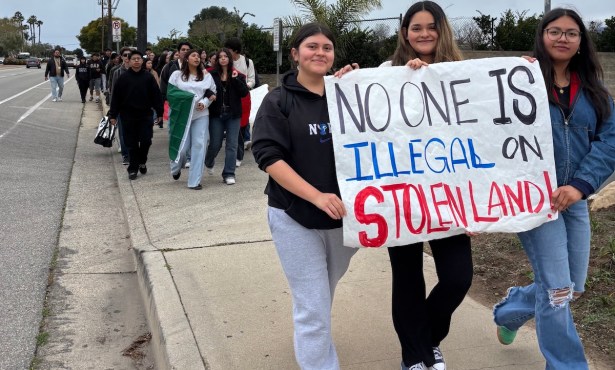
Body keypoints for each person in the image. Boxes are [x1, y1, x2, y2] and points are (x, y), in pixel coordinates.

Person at [493, 8, 615, 370]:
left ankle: (513, 309)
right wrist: (502, 78)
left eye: (571, 33)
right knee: (558, 292)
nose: (563, 38)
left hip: (573, 200)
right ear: (542, 36)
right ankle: (567, 366)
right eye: (554, 31)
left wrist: (580, 186)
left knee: (572, 287)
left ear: (581, 43)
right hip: (533, 202)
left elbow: (610, 141)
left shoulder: (595, 92)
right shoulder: (518, 82)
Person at [251, 22, 359, 370]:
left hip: (343, 219)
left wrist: (367, 82)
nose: (320, 53)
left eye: (327, 48)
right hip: (294, 215)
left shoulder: (350, 94)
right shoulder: (277, 101)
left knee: (321, 294)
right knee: (313, 304)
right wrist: (315, 196)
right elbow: (268, 157)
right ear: (296, 54)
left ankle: (312, 339)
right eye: (312, 46)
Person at [377, 2, 471, 369]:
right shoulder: (387, 72)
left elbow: (485, 137)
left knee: (457, 278)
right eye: (416, 28)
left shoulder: (463, 74)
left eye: (431, 26)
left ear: (442, 29)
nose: (424, 34)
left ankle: (426, 339)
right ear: (405, 33)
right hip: (401, 195)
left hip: (449, 197)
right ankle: (415, 357)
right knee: (408, 278)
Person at [108, 50, 164, 180]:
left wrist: (160, 112)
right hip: (127, 116)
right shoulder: (123, 78)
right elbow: (116, 98)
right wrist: (113, 115)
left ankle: (142, 161)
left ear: (142, 60)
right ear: (128, 60)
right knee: (131, 143)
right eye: (134, 59)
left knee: (146, 140)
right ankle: (132, 168)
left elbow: (156, 96)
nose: (136, 61)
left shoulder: (148, 77)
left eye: (139, 58)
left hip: (145, 115)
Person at [167, 49, 216, 190]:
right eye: (193, 55)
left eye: (198, 56)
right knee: (182, 148)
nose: (196, 58)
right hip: (182, 115)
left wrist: (205, 102)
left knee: (199, 145)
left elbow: (212, 92)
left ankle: (194, 181)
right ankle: (175, 168)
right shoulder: (177, 75)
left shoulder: (206, 75)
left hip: (200, 115)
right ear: (187, 59)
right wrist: (189, 99)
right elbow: (171, 93)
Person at [203, 48, 249, 185]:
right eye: (220, 57)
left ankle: (229, 173)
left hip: (233, 114)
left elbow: (244, 93)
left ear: (229, 59)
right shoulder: (210, 74)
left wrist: (235, 79)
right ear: (216, 59)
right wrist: (208, 95)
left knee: (232, 145)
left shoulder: (238, 75)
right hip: (216, 114)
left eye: (225, 56)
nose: (223, 58)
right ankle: (209, 161)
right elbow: (204, 90)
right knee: (215, 143)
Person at [223, 37, 256, 167]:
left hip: (243, 96)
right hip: (228, 98)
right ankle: (233, 151)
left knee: (242, 126)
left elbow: (252, 79)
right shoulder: (225, 62)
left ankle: (239, 155)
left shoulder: (248, 62)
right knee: (231, 126)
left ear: (235, 50)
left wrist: (246, 85)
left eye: (228, 49)